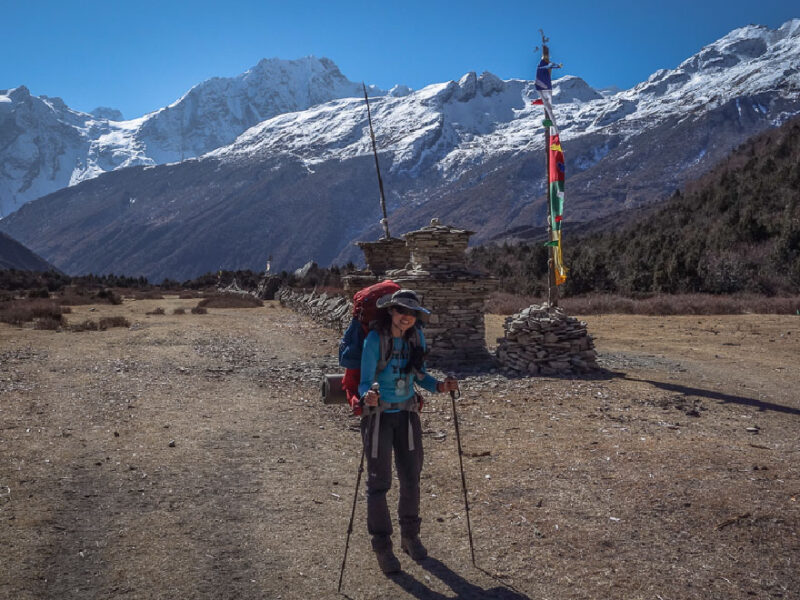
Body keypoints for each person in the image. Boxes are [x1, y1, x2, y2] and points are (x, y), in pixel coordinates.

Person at [358, 289, 459, 574]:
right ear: (391, 310)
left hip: (408, 414)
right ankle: (383, 547)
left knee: (411, 478)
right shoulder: (374, 339)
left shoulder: (417, 337)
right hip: (378, 417)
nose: (407, 317)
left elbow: (420, 375)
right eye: (403, 310)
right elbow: (364, 382)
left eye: (413, 313)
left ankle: (410, 537)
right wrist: (368, 397)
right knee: (379, 484)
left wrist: (440, 386)